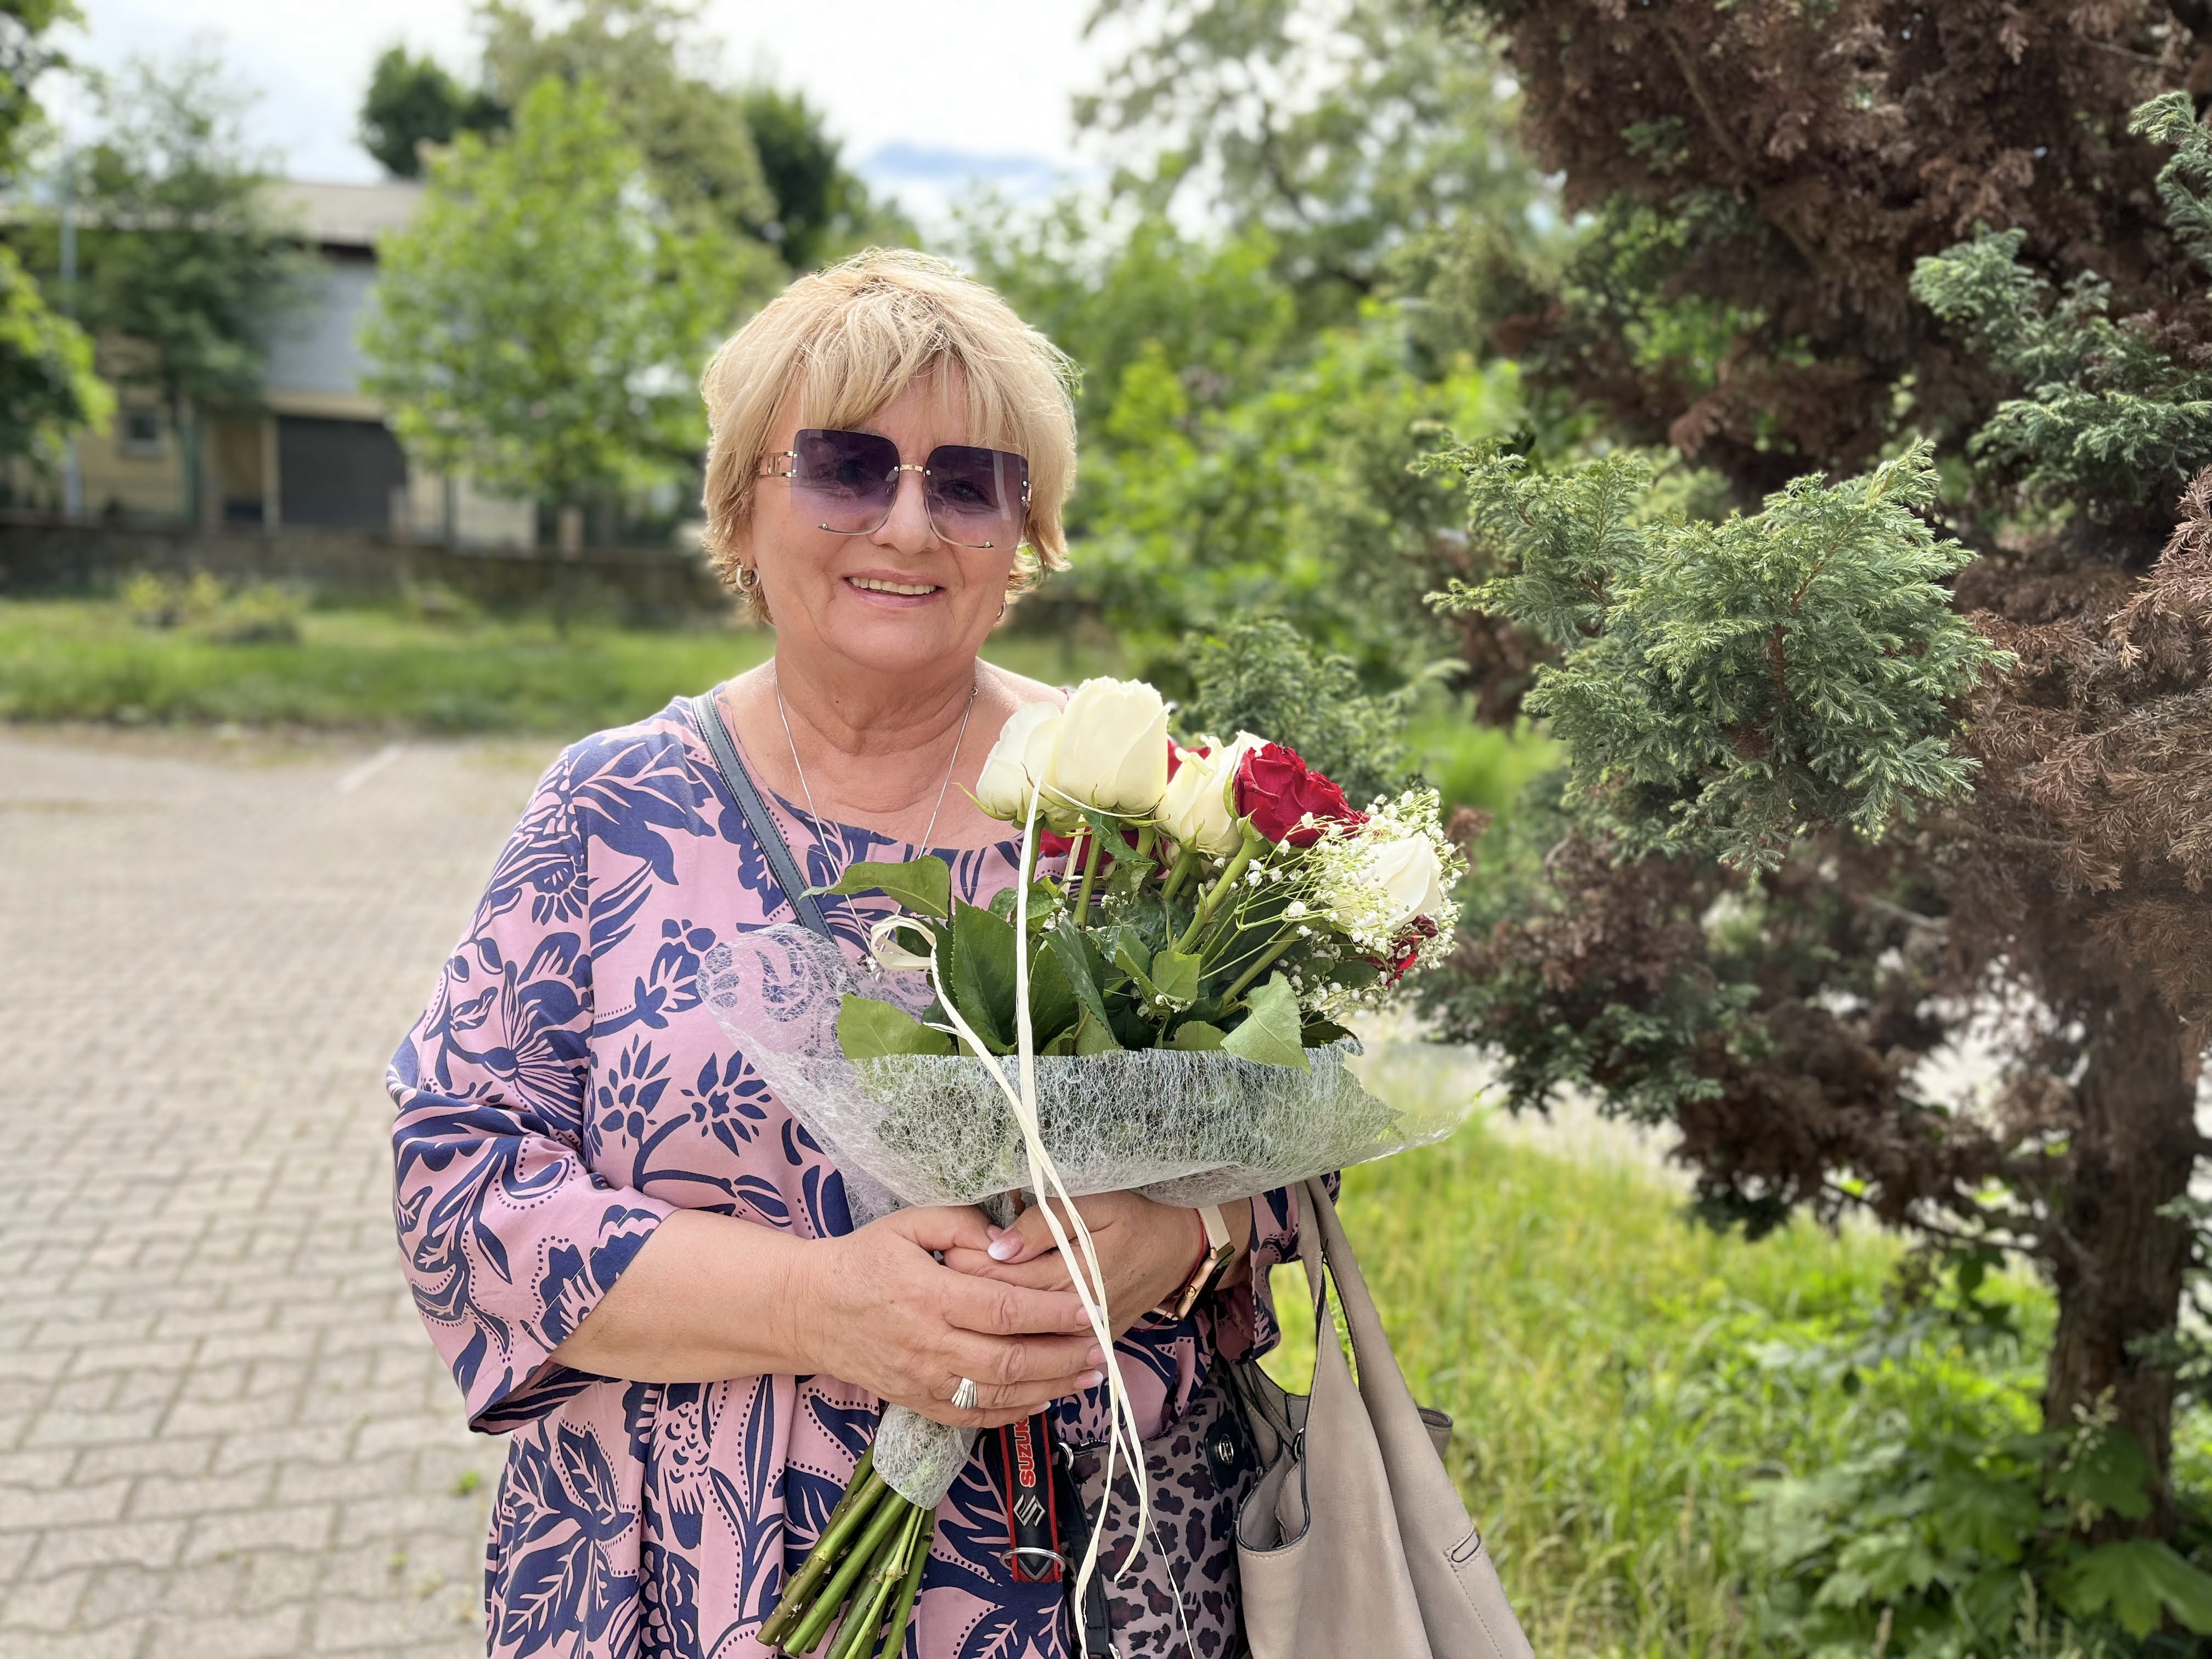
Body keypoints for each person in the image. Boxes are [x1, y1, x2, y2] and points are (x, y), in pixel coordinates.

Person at [388, 249, 1311, 1659]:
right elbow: (460, 1191)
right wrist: (822, 1304)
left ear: (1027, 533)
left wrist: (1183, 1238)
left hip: (1107, 1577)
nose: (907, 521)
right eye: (845, 465)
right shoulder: (609, 807)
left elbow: (1289, 1151)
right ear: (742, 511)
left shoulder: (1128, 802)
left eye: (968, 482)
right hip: (689, 1573)